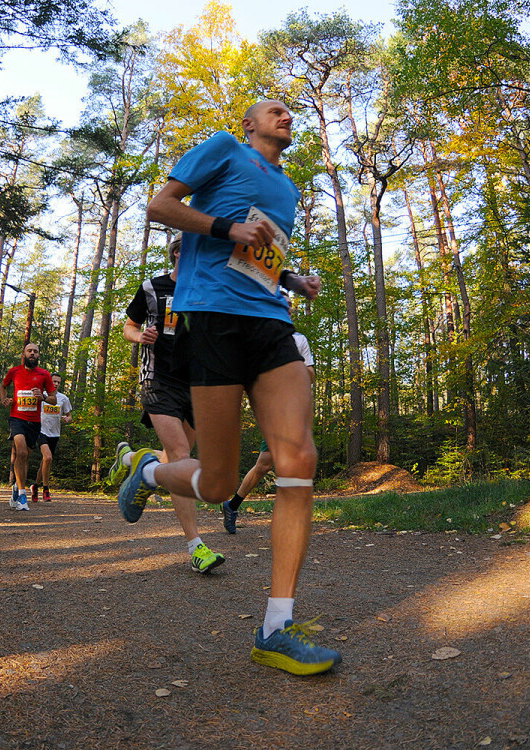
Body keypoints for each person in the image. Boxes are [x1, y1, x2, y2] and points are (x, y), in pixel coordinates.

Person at [117, 100, 340, 675]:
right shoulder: (223, 148)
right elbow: (159, 205)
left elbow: (258, 255)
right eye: (276, 110)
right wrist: (223, 224)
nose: (287, 116)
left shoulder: (287, 188)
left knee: (297, 459)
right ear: (249, 123)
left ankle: (276, 627)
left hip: (271, 321)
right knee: (215, 483)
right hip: (211, 317)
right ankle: (147, 472)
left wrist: (293, 277)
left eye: (292, 112)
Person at [112, 237, 225, 574]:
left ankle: (133, 461)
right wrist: (139, 336)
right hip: (158, 378)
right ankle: (197, 547)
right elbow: (128, 326)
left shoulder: (210, 291)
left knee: (175, 461)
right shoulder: (152, 287)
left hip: (197, 384)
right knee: (180, 456)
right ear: (178, 253)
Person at [223, 298, 316, 532]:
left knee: (279, 463)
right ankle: (238, 507)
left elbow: (311, 374)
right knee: (274, 463)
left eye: (288, 308)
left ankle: (234, 505)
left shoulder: (299, 340)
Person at [0, 343, 56, 511]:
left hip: (34, 422)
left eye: (35, 351)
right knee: (21, 452)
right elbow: (3, 386)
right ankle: (23, 495)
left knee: (26, 456)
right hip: (17, 418)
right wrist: (4, 399)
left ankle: (17, 487)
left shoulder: (44, 375)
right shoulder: (14, 371)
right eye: (29, 351)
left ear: (38, 355)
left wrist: (43, 396)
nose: (32, 353)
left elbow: (53, 399)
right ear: (24, 354)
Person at [31, 373, 73, 502]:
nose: (56, 384)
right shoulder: (41, 395)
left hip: (55, 433)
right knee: (48, 457)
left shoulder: (63, 399)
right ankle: (46, 488)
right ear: (49, 381)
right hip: (41, 431)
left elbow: (70, 416)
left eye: (58, 382)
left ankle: (35, 486)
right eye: (54, 381)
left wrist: (67, 419)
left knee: (46, 461)